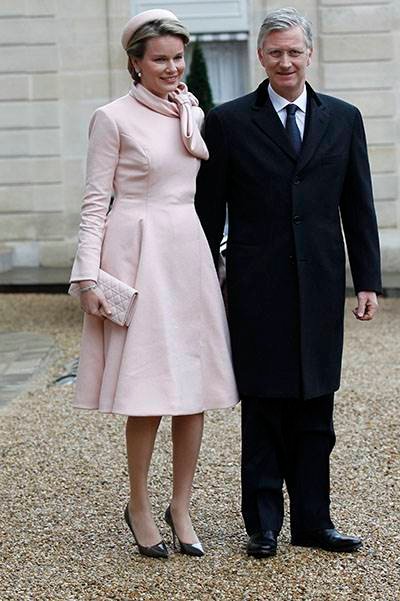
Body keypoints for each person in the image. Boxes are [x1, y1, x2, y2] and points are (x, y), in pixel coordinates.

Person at [195, 7, 381, 558]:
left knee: (316, 406)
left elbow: (359, 204)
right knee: (265, 406)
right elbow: (208, 212)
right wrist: (203, 283)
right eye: (275, 51)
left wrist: (366, 279)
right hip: (256, 286)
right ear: (260, 56)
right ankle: (264, 525)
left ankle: (314, 523)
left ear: (309, 55)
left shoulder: (344, 118)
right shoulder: (227, 121)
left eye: (294, 51)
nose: (284, 61)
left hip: (323, 283)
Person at [69, 8, 238, 559]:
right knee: (145, 392)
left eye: (177, 57)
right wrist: (88, 275)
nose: (171, 67)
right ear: (135, 63)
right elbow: (97, 202)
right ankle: (139, 504)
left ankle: (181, 506)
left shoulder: (191, 110)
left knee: (195, 389)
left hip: (187, 250)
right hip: (136, 252)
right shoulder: (110, 117)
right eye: (159, 59)